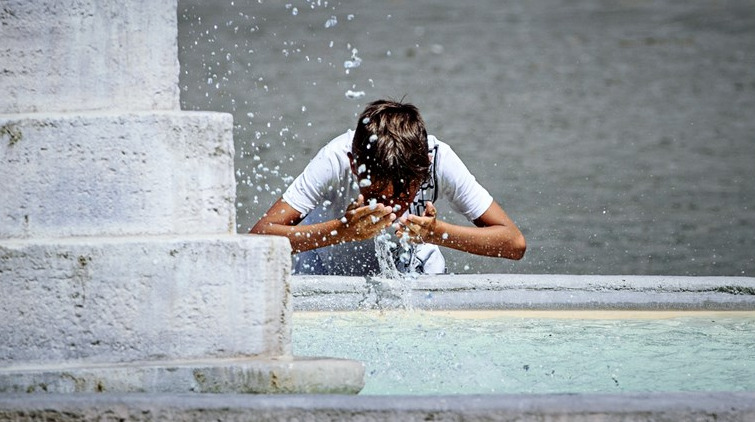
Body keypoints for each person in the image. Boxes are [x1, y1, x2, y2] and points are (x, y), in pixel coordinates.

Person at [250, 99, 526, 276]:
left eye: (405, 195)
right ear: (354, 166)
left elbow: (514, 244)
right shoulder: (334, 158)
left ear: (425, 166)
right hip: (324, 270)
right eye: (376, 195)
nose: (391, 209)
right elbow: (257, 239)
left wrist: (437, 233)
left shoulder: (439, 159)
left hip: (414, 270)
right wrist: (340, 232)